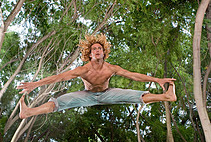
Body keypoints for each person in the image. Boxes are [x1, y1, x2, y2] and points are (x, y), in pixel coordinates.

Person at [17, 34, 176, 119]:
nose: (97, 50)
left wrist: (157, 80)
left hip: (108, 93)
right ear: (90, 54)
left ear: (104, 52)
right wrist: (35, 84)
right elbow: (60, 77)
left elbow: (133, 76)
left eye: (99, 48)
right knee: (58, 102)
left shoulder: (111, 68)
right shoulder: (83, 70)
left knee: (135, 95)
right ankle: (29, 112)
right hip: (87, 96)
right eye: (94, 49)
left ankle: (167, 96)